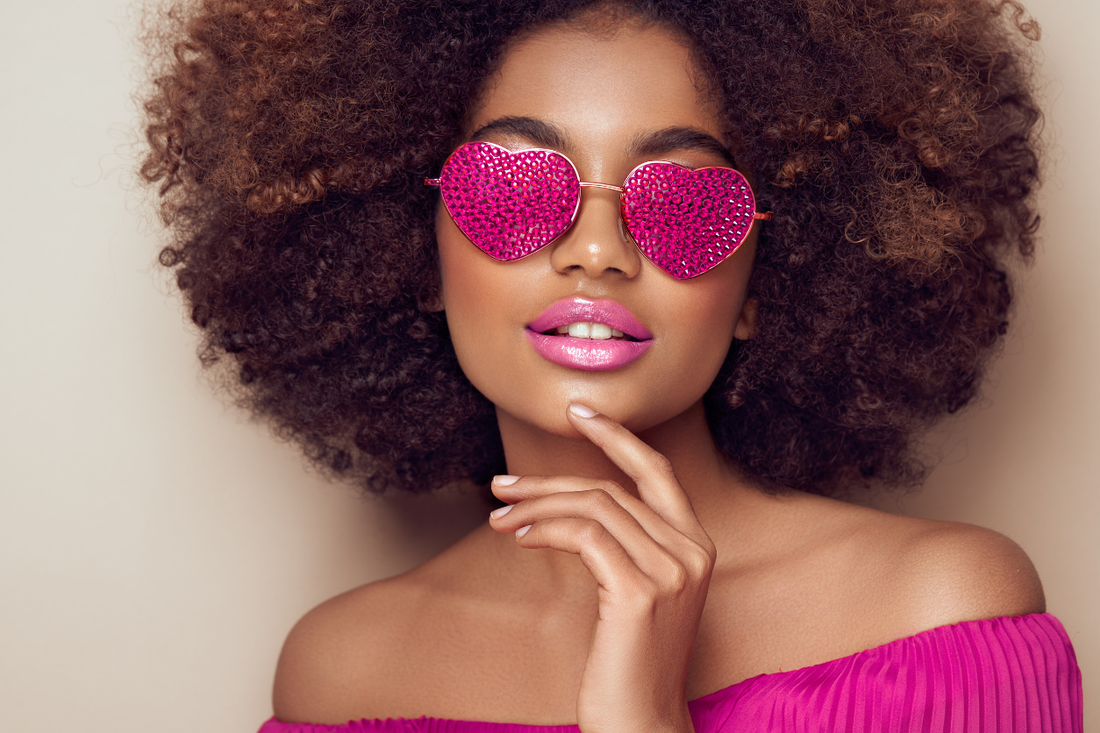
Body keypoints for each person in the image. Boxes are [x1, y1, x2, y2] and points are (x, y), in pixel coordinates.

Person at [139, 0, 1083, 729]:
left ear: (764, 282)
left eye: (682, 201)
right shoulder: (342, 675)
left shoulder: (942, 616)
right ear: (414, 256)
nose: (598, 251)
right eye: (512, 187)